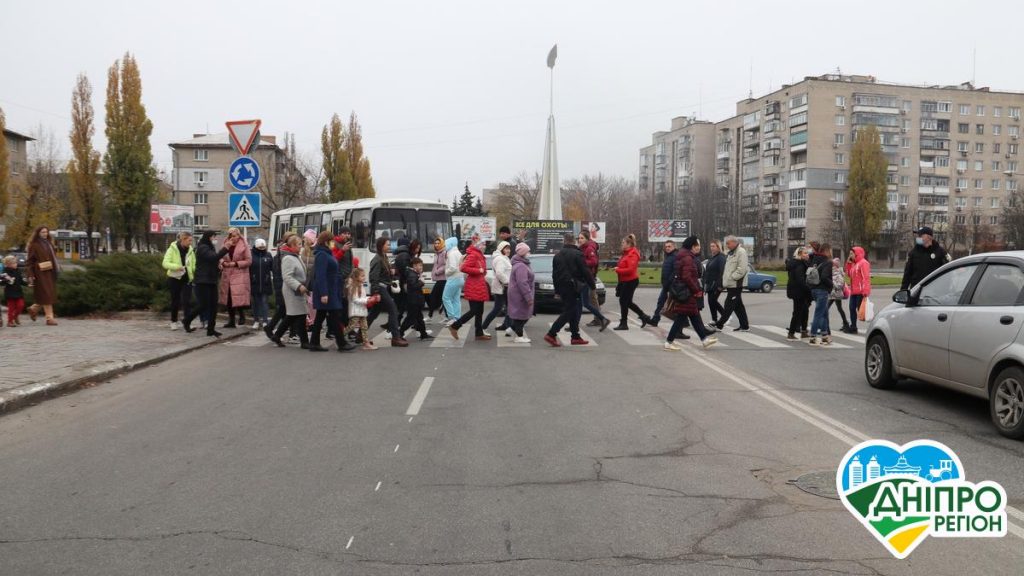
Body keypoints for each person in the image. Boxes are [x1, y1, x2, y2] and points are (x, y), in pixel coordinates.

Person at [664, 237, 718, 350]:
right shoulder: (688, 258)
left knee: (694, 315)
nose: (698, 247)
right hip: (687, 292)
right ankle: (669, 342)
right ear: (692, 246)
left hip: (685, 291)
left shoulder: (683, 255)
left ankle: (704, 340)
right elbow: (687, 277)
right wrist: (696, 290)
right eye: (697, 245)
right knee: (681, 318)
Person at [308, 231, 356, 352]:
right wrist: (324, 293)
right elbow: (320, 276)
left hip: (331, 290)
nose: (334, 244)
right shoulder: (322, 255)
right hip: (327, 292)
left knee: (320, 317)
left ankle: (314, 342)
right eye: (332, 242)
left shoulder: (326, 253)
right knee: (335, 316)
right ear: (326, 242)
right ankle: (342, 343)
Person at [183, 230, 237, 336]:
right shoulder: (202, 247)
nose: (214, 239)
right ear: (208, 237)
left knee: (213, 305)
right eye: (213, 237)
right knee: (203, 305)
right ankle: (187, 320)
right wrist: (226, 247)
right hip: (203, 281)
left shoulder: (209, 247)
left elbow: (212, 260)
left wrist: (218, 266)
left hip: (211, 280)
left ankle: (211, 329)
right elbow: (213, 257)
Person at [544, 233, 591, 346]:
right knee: (569, 311)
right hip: (573, 286)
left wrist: (557, 291)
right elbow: (585, 271)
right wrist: (592, 285)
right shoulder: (578, 254)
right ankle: (551, 333)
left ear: (564, 241)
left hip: (561, 286)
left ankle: (575, 336)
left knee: (572, 310)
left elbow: (554, 275)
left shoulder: (558, 255)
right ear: (574, 241)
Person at [270, 233, 311, 350]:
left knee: (293, 315)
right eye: (299, 244)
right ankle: (304, 342)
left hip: (298, 290)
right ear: (292, 245)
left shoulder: (294, 255)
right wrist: (299, 286)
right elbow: (287, 277)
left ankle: (277, 335)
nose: (300, 247)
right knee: (298, 315)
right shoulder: (288, 258)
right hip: (292, 291)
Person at [365, 236, 407, 346]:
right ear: (381, 246)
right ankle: (396, 338)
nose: (389, 246)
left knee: (374, 312)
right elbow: (373, 277)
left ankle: (360, 334)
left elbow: (383, 273)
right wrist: (376, 292)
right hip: (380, 288)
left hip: (384, 287)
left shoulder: (383, 257)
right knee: (393, 310)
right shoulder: (377, 259)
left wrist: (391, 272)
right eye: (387, 244)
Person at [448, 235, 491, 341]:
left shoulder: (479, 255)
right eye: (483, 244)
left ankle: (479, 333)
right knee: (474, 310)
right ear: (477, 245)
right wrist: (479, 271)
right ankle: (455, 326)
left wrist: (482, 271)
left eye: (485, 244)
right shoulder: (474, 254)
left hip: (479, 285)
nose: (484, 246)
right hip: (474, 286)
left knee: (479, 311)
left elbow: (482, 269)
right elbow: (463, 267)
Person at [613, 233, 652, 330]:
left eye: (623, 243)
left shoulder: (632, 254)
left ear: (629, 244)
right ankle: (644, 316)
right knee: (628, 302)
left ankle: (624, 323)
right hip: (624, 281)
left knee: (623, 301)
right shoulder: (626, 253)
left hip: (630, 281)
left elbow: (630, 269)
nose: (621, 244)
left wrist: (618, 270)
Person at [713, 236, 749, 332]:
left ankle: (719, 325)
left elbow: (742, 269)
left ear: (734, 242)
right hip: (731, 284)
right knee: (738, 306)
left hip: (736, 284)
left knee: (728, 304)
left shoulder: (741, 252)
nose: (727, 246)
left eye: (728, 243)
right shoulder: (731, 253)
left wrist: (732, 278)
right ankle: (745, 326)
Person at [25, 226, 60, 325]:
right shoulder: (34, 245)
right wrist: (30, 275)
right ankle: (49, 318)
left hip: (50, 272)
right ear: (38, 233)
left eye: (46, 232)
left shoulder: (49, 244)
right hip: (40, 272)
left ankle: (33, 309)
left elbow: (54, 258)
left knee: (47, 294)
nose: (45, 234)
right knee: (47, 294)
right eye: (42, 232)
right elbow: (29, 262)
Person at [217, 228, 251, 328]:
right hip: (227, 273)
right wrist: (222, 262)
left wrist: (235, 263)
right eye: (231, 236)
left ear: (239, 236)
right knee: (229, 298)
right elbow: (220, 256)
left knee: (238, 296)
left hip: (239, 274)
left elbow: (249, 261)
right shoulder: (226, 243)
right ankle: (231, 321)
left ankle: (241, 315)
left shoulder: (244, 244)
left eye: (235, 236)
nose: (233, 238)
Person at [162, 231, 195, 330]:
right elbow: (165, 263)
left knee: (187, 301)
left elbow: (193, 263)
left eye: (191, 241)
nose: (190, 243)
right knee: (175, 300)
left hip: (187, 278)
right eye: (189, 240)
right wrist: (177, 267)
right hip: (175, 278)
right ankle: (174, 321)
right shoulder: (172, 249)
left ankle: (187, 321)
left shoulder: (190, 250)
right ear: (183, 239)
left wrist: (193, 271)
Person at [577, 229, 610, 330]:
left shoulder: (589, 247)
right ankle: (599, 319)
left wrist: (581, 262)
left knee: (588, 301)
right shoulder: (583, 247)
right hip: (584, 277)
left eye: (582, 238)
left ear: (587, 239)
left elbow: (593, 261)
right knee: (584, 301)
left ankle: (600, 319)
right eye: (579, 238)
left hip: (588, 277)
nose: (579, 240)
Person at [265, 233, 296, 341]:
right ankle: (290, 333)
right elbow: (284, 271)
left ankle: (271, 328)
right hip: (283, 284)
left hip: (282, 284)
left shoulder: (282, 252)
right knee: (287, 310)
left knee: (284, 310)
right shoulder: (284, 253)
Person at [901, 226, 950, 290]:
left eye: (920, 236)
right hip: (916, 291)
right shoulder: (913, 253)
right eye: (918, 236)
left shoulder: (940, 252)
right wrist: (903, 291)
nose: (918, 238)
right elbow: (907, 275)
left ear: (929, 237)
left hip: (935, 292)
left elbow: (948, 273)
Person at [506, 242, 535, 343]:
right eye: (528, 251)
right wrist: (528, 297)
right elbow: (523, 283)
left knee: (521, 313)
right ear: (523, 253)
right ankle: (519, 336)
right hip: (520, 294)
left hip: (517, 293)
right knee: (521, 315)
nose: (529, 253)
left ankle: (511, 329)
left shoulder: (522, 263)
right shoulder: (521, 266)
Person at [399, 257, 433, 341]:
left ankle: (423, 335)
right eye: (419, 265)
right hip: (414, 301)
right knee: (410, 319)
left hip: (415, 300)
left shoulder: (413, 273)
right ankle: (399, 334)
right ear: (414, 266)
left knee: (419, 318)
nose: (421, 267)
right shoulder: (412, 274)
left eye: (421, 265)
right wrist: (421, 282)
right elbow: (413, 286)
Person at [482, 240, 512, 334]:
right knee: (497, 309)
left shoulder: (504, 258)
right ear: (501, 249)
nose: (508, 250)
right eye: (506, 248)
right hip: (502, 287)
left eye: (509, 249)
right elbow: (499, 273)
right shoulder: (500, 259)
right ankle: (483, 327)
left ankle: (507, 326)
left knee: (508, 307)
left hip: (503, 287)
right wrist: (507, 282)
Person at [807, 242, 834, 346]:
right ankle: (813, 336)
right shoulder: (827, 262)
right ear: (827, 250)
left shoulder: (814, 259)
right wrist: (832, 284)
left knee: (824, 313)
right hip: (822, 290)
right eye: (830, 250)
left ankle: (824, 336)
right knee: (819, 314)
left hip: (813, 289)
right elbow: (824, 277)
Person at [347, 268, 379, 350]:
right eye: (362, 276)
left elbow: (362, 297)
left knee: (364, 327)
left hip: (361, 310)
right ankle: (339, 337)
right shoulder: (353, 287)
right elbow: (355, 299)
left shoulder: (360, 285)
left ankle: (366, 343)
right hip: (356, 311)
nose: (364, 277)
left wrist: (370, 298)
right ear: (356, 277)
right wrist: (367, 300)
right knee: (351, 326)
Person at [648, 240, 678, 328]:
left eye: (669, 246)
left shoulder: (675, 256)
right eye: (666, 246)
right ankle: (655, 319)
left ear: (674, 247)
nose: (667, 248)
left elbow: (675, 271)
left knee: (675, 305)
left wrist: (669, 282)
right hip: (666, 285)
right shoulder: (668, 256)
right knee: (661, 302)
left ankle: (683, 321)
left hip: (671, 285)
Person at [785, 247, 812, 340]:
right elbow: (800, 280)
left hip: (796, 290)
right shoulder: (799, 265)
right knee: (797, 312)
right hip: (799, 291)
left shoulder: (796, 263)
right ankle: (791, 333)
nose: (807, 255)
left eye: (807, 253)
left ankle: (803, 331)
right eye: (805, 253)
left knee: (804, 310)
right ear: (800, 254)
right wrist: (809, 290)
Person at [845, 246, 871, 334]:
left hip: (860, 291)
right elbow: (849, 275)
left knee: (863, 311)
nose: (850, 255)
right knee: (852, 308)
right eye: (849, 254)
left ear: (857, 254)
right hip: (853, 291)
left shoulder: (864, 263)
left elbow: (866, 277)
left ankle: (874, 326)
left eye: (851, 253)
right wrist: (848, 264)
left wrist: (865, 291)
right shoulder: (854, 264)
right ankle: (853, 327)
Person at [249, 238, 274, 329]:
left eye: (263, 247)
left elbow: (273, 268)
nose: (262, 249)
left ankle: (265, 321)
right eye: (260, 247)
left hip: (265, 283)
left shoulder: (268, 255)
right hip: (254, 282)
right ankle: (256, 320)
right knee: (255, 303)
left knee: (264, 302)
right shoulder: (251, 255)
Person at [703, 240, 726, 326]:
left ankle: (725, 316)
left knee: (713, 301)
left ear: (718, 247)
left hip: (716, 284)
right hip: (710, 283)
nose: (711, 248)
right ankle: (714, 319)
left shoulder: (721, 257)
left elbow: (722, 272)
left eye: (713, 246)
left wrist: (720, 285)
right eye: (711, 246)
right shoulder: (713, 257)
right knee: (711, 301)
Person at [441, 236, 464, 321]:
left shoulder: (451, 253)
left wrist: (446, 272)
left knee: (445, 298)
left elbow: (453, 267)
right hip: (460, 278)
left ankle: (451, 317)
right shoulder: (458, 253)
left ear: (450, 244)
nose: (445, 246)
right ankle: (456, 318)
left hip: (453, 278)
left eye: (445, 244)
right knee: (456, 299)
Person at [2, 254, 29, 327]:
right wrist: (7, 280)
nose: (16, 264)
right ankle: (10, 322)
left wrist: (28, 284)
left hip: (18, 292)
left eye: (15, 263)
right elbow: (2, 282)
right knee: (11, 308)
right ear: (8, 264)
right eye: (14, 263)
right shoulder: (5, 272)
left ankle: (15, 316)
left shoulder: (18, 271)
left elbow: (21, 281)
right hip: (10, 293)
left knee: (21, 305)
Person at [428, 236, 447, 321]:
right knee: (443, 298)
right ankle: (445, 315)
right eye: (435, 243)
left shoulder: (444, 253)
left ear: (442, 243)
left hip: (443, 279)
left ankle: (430, 316)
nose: (436, 245)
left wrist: (437, 271)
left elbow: (445, 265)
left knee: (433, 296)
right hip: (439, 278)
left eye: (438, 243)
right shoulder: (437, 253)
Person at [829, 257, 850, 334]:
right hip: (834, 293)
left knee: (826, 308)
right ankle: (846, 323)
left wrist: (831, 283)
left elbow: (839, 284)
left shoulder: (837, 273)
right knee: (840, 309)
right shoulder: (833, 271)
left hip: (835, 294)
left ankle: (821, 324)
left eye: (832, 265)